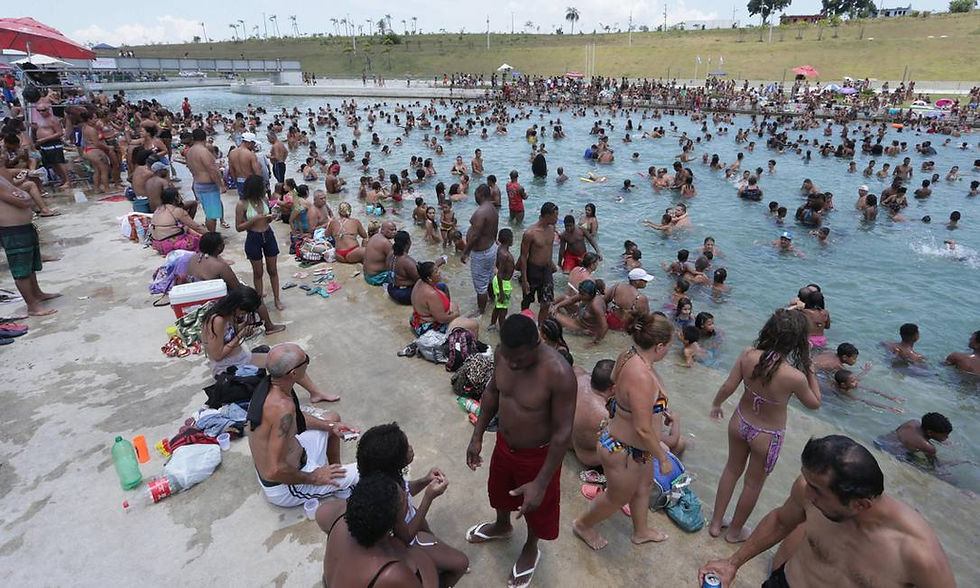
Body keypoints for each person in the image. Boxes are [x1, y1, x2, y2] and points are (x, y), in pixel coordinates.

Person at [698, 435, 955, 588]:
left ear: (861, 504)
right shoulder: (809, 489)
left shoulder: (917, 555)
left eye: (817, 491)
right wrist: (732, 563)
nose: (807, 495)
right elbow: (780, 522)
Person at [465, 313, 576, 587]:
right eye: (509, 357)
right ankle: (502, 526)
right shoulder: (503, 354)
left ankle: (531, 546)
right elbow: (492, 393)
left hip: (538, 455)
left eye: (520, 359)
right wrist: (477, 436)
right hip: (504, 444)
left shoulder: (559, 373)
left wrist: (541, 482)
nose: (513, 364)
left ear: (537, 344)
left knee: (537, 507)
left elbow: (563, 433)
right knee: (499, 491)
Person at [708, 309, 821, 542]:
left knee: (731, 470)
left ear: (768, 330)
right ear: (798, 342)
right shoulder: (795, 377)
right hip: (767, 436)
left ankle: (716, 524)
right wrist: (809, 367)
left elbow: (728, 386)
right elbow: (814, 403)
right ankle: (735, 532)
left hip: (740, 422)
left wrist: (717, 404)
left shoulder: (748, 355)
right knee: (752, 484)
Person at [572, 312, 675, 550]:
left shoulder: (628, 354)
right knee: (617, 498)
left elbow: (614, 378)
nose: (669, 350)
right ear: (659, 347)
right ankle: (582, 525)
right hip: (623, 450)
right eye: (669, 346)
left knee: (643, 487)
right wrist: (662, 458)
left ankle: (641, 531)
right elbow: (642, 428)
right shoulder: (642, 376)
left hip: (635, 449)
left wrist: (655, 409)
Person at [355, 423, 469, 586]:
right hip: (408, 537)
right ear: (394, 462)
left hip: (411, 520)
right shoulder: (388, 495)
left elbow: (406, 489)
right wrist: (428, 498)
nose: (411, 448)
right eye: (406, 448)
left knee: (431, 537)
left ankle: (438, 562)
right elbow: (405, 537)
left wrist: (425, 480)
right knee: (461, 563)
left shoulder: (385, 479)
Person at [246, 343, 357, 508]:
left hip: (299, 455)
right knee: (365, 470)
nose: (307, 363)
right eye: (306, 360)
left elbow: (295, 420)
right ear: (293, 373)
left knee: (332, 419)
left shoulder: (272, 386)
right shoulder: (282, 408)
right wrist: (315, 477)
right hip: (287, 485)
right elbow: (274, 471)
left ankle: (338, 481)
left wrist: (330, 426)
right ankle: (337, 483)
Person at [317, 474, 438, 587]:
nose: (407, 494)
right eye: (403, 499)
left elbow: (320, 513)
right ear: (391, 522)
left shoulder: (338, 516)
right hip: (383, 576)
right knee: (421, 557)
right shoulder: (392, 572)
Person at [183, 232, 284, 334]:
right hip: (214, 302)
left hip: (196, 299)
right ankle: (269, 327)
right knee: (255, 298)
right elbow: (236, 287)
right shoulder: (219, 266)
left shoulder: (193, 259)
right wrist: (250, 291)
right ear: (219, 247)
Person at [0, 176, 59, 316]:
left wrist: (24, 196)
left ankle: (37, 294)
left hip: (22, 227)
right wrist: (25, 197)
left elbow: (23, 195)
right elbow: (22, 201)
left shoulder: (2, 178)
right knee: (22, 270)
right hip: (12, 230)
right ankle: (32, 306)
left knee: (30, 264)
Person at [235, 174, 284, 311]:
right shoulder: (242, 204)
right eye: (263, 187)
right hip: (253, 237)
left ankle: (277, 298)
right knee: (258, 273)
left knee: (273, 270)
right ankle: (259, 301)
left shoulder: (264, 199)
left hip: (268, 235)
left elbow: (266, 219)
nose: (266, 189)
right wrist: (253, 220)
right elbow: (238, 227)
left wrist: (271, 217)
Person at [409, 261, 477, 337]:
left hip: (416, 320)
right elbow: (442, 320)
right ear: (429, 278)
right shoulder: (432, 294)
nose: (439, 273)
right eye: (436, 272)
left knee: (452, 305)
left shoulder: (420, 281)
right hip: (427, 328)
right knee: (473, 325)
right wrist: (456, 314)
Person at [519, 202, 560, 326]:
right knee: (527, 300)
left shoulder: (552, 229)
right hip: (533, 270)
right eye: (555, 215)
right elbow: (523, 257)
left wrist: (551, 265)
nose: (557, 218)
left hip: (546, 270)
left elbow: (549, 249)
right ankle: (524, 324)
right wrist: (524, 280)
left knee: (546, 302)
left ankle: (540, 327)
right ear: (547, 216)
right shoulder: (530, 233)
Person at [460, 184, 499, 314]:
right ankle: (492, 300)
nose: (475, 197)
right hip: (491, 248)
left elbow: (475, 235)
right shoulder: (492, 208)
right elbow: (494, 229)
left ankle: (481, 312)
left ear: (480, 195)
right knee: (489, 277)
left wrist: (465, 252)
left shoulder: (481, 212)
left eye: (475, 194)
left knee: (481, 286)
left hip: (481, 253)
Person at [571, 359, 616, 468]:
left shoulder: (578, 376)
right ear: (613, 388)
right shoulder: (605, 414)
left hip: (568, 440)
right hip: (589, 457)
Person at [186, 128, 228, 232]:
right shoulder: (203, 152)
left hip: (198, 184)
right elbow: (212, 170)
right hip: (208, 187)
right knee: (212, 215)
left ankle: (211, 233)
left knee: (208, 212)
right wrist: (221, 186)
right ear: (205, 138)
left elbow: (190, 168)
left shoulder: (190, 151)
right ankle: (212, 235)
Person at [878, 413, 953, 467]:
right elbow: (935, 465)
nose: (947, 437)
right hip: (890, 452)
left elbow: (918, 437)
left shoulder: (913, 422)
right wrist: (955, 462)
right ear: (930, 432)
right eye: (945, 435)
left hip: (881, 441)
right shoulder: (929, 448)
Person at [149, 187, 205, 255]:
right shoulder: (177, 211)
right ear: (176, 198)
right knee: (200, 240)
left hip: (157, 245)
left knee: (185, 228)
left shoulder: (158, 209)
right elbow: (197, 227)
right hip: (169, 245)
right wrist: (211, 235)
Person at [551, 280, 608, 344]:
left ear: (591, 294)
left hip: (583, 328)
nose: (580, 295)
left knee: (553, 315)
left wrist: (595, 342)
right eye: (580, 292)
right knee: (564, 298)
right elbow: (571, 300)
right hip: (579, 317)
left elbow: (604, 326)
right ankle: (549, 305)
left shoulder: (596, 305)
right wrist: (556, 306)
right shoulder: (586, 294)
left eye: (582, 294)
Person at [32, 102, 70, 189]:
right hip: (44, 145)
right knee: (53, 164)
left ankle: (67, 180)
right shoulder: (40, 119)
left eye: (43, 110)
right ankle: (63, 180)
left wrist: (45, 139)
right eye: (39, 111)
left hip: (53, 144)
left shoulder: (53, 119)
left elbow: (59, 133)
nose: (41, 112)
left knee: (59, 163)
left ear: (48, 110)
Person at [490, 228, 515, 330]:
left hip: (499, 281)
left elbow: (497, 266)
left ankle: (492, 324)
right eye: (512, 237)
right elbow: (500, 274)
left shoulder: (500, 249)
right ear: (509, 239)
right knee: (503, 311)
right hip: (503, 284)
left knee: (498, 306)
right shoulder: (505, 255)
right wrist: (501, 292)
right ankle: (502, 331)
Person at [362, 221, 397, 286]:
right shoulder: (386, 243)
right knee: (402, 276)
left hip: (367, 275)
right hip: (376, 278)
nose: (394, 232)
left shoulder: (375, 236)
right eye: (391, 230)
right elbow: (395, 261)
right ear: (383, 230)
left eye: (395, 230)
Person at [229, 132, 263, 197]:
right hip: (250, 182)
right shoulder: (250, 154)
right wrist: (261, 186)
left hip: (239, 181)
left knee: (243, 200)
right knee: (253, 201)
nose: (254, 145)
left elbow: (231, 170)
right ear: (249, 143)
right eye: (253, 143)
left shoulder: (232, 153)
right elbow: (258, 172)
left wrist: (236, 182)